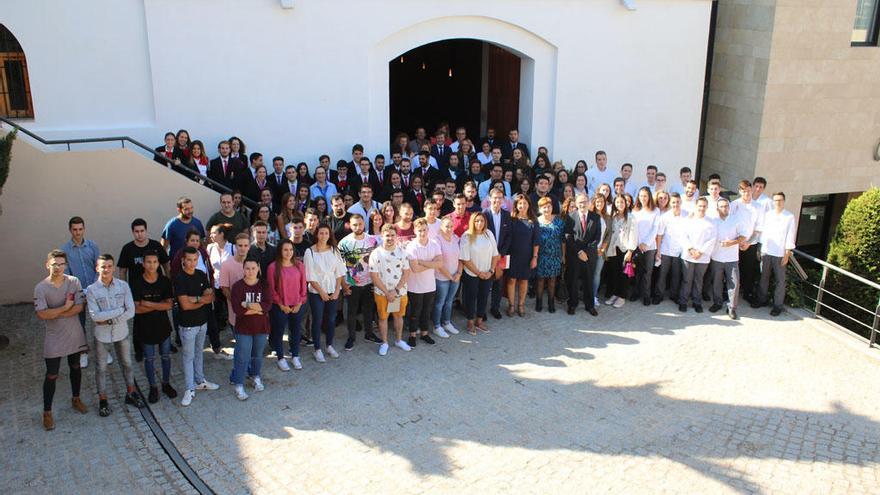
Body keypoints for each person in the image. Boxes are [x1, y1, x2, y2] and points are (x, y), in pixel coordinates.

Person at [34, 250, 89, 430]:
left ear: (66, 265)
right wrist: (65, 307)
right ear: (47, 265)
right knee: (52, 374)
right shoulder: (41, 288)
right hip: (54, 337)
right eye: (54, 264)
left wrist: (56, 312)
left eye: (61, 264)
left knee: (75, 367)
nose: (58, 267)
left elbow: (79, 307)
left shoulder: (73, 282)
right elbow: (41, 314)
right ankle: (47, 412)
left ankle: (76, 398)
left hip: (74, 333)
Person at [86, 254, 141, 416]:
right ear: (97, 268)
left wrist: (108, 319)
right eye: (103, 266)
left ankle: (131, 393)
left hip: (121, 333)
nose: (107, 269)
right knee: (101, 369)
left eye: (109, 266)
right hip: (101, 337)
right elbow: (95, 317)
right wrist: (118, 311)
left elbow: (131, 311)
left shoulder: (123, 286)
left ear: (114, 267)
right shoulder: (91, 290)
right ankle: (103, 400)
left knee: (127, 364)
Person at [117, 218, 171, 361]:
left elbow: (166, 264)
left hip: (157, 287)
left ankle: (165, 344)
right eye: (137, 232)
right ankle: (139, 350)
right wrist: (123, 289)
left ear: (146, 231)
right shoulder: (127, 248)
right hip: (136, 290)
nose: (140, 234)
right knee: (138, 320)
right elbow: (122, 270)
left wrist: (169, 281)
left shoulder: (155, 246)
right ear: (133, 232)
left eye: (142, 231)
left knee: (161, 315)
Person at [174, 246, 221, 407]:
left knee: (199, 353)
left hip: (202, 323)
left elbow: (211, 296)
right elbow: (185, 305)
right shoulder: (180, 278)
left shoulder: (201, 274)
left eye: (195, 259)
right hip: (187, 325)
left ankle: (200, 381)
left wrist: (196, 299)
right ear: (183, 261)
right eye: (189, 260)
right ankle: (189, 388)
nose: (192, 263)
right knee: (188, 357)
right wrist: (201, 299)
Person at [130, 251, 177, 404]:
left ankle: (166, 383)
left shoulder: (164, 281)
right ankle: (153, 387)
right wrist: (159, 305)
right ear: (143, 264)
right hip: (145, 327)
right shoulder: (136, 283)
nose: (152, 265)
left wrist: (148, 303)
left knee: (165, 356)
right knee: (149, 359)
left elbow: (169, 305)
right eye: (148, 262)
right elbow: (136, 309)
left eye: (155, 262)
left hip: (162, 326)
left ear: (158, 264)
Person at [230, 258, 272, 401]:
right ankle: (239, 384)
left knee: (257, 355)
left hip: (261, 326)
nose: (250, 271)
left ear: (258, 268)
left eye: (253, 268)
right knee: (242, 356)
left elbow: (267, 306)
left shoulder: (264, 284)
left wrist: (246, 304)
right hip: (243, 328)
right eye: (247, 268)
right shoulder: (237, 287)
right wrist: (258, 309)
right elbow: (237, 309)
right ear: (243, 269)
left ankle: (255, 376)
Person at [338, 214, 382, 350]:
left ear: (364, 224)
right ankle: (351, 337)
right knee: (351, 312)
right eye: (354, 225)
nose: (358, 227)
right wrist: (344, 285)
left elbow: (378, 262)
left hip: (369, 282)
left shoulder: (373, 241)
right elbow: (339, 266)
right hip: (352, 284)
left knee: (368, 310)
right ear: (350, 226)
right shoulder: (344, 243)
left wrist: (376, 282)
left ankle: (369, 334)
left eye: (360, 224)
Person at [304, 224, 346, 362]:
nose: (323, 236)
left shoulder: (334, 250)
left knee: (331, 319)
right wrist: (321, 292)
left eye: (326, 233)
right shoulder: (309, 252)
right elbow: (310, 276)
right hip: (317, 292)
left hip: (333, 290)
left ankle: (329, 345)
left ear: (329, 235)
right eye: (321, 233)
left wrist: (336, 291)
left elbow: (339, 272)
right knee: (317, 320)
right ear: (317, 234)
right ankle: (317, 349)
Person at [61, 216, 100, 368]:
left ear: (84, 229)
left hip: (94, 290)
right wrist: (79, 291)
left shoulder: (92, 246)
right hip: (78, 292)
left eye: (80, 229)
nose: (78, 233)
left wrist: (94, 286)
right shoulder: (65, 250)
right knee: (80, 324)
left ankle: (101, 350)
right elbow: (67, 275)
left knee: (99, 321)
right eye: (75, 230)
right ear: (70, 230)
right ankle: (83, 352)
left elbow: (99, 266)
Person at [369, 225, 412, 355]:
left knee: (398, 316)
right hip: (382, 293)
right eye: (387, 235)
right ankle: (385, 342)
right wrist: (387, 293)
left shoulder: (402, 253)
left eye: (393, 235)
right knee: (383, 318)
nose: (390, 238)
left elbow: (406, 273)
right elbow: (374, 275)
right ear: (382, 236)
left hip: (399, 293)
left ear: (396, 236)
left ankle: (398, 340)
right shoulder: (375, 253)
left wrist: (395, 291)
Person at [266, 239, 307, 371]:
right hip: (279, 306)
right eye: (285, 250)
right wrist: (281, 304)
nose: (288, 252)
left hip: (297, 305)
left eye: (290, 249)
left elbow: (303, 286)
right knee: (278, 332)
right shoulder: (273, 267)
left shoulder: (299, 265)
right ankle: (280, 357)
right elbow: (271, 289)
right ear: (280, 251)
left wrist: (300, 302)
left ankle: (295, 355)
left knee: (295, 331)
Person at [754, 192, 796, 316]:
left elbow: (790, 235)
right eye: (776, 200)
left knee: (780, 281)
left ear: (784, 201)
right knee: (763, 278)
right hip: (766, 251)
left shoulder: (789, 217)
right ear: (773, 202)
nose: (778, 202)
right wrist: (760, 249)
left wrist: (787, 253)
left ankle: (778, 306)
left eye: (780, 200)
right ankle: (762, 300)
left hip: (779, 254)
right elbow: (763, 233)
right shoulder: (768, 215)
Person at [459, 213, 500, 334]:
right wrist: (478, 273)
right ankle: (470, 322)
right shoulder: (466, 236)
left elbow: (495, 254)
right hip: (472, 273)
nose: (479, 223)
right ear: (472, 222)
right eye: (476, 221)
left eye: (481, 221)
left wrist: (491, 271)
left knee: (484, 296)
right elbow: (465, 259)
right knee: (471, 298)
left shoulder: (489, 233)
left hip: (487, 273)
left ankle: (479, 321)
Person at [404, 218, 442, 347]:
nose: (422, 233)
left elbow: (440, 263)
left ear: (428, 230)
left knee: (427, 310)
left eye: (424, 230)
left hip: (430, 285)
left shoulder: (434, 244)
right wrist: (432, 264)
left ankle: (425, 333)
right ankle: (412, 334)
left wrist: (421, 262)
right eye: (419, 230)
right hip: (415, 286)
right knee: (415, 311)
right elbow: (415, 269)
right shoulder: (411, 246)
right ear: (414, 231)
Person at [564, 193, 602, 316]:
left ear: (589, 202)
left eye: (585, 201)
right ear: (576, 203)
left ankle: (589, 305)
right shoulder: (570, 217)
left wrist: (586, 252)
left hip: (589, 256)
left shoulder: (595, 217)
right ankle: (572, 304)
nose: (582, 204)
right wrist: (579, 252)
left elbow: (597, 237)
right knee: (573, 280)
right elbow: (568, 236)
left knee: (589, 281)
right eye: (580, 202)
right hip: (574, 255)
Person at [710, 198, 748, 319]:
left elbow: (743, 236)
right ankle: (717, 303)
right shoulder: (713, 221)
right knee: (717, 282)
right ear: (717, 209)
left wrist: (732, 242)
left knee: (734, 283)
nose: (724, 208)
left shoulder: (735, 220)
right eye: (721, 206)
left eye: (726, 206)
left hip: (732, 258)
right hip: (716, 256)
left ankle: (732, 308)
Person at [678, 198, 717, 313]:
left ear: (707, 207)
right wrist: (690, 249)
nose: (702, 208)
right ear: (696, 206)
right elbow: (683, 236)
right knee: (687, 280)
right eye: (700, 206)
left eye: (704, 206)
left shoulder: (711, 222)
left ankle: (697, 302)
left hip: (702, 256)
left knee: (698, 280)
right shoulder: (688, 220)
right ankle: (683, 302)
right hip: (688, 255)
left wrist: (700, 252)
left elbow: (712, 239)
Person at [730, 180, 763, 304]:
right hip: (735, 244)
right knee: (733, 270)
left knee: (748, 270)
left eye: (749, 191)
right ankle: (729, 293)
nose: (747, 193)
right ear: (740, 191)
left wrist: (748, 242)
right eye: (744, 191)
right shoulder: (734, 205)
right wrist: (737, 242)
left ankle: (747, 293)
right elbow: (729, 224)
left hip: (750, 244)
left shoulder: (758, 207)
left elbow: (758, 229)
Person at [506, 194, 538, 317]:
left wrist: (535, 257)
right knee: (511, 280)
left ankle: (521, 305)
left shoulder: (533, 221)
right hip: (512, 255)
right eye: (520, 203)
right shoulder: (511, 219)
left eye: (525, 203)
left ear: (528, 205)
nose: (522, 205)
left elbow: (536, 241)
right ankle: (511, 305)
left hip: (527, 256)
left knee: (524, 281)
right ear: (516, 205)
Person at [603, 195, 638, 308]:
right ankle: (615, 294)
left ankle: (622, 296)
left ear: (626, 203)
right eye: (617, 202)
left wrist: (630, 251)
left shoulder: (631, 218)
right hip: (613, 249)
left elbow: (634, 235)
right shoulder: (613, 217)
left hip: (625, 250)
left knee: (623, 274)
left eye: (622, 202)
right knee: (614, 273)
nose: (619, 204)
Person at [483, 188, 513, 319]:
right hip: (487, 256)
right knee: (485, 284)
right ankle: (481, 311)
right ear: (489, 199)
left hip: (502, 254)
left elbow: (509, 236)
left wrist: (501, 253)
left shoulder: (507, 215)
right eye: (495, 197)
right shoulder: (484, 214)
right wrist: (493, 254)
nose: (497, 200)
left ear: (503, 200)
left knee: (499, 283)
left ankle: (495, 308)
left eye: (500, 198)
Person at [653, 193, 687, 305]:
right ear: (670, 203)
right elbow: (659, 235)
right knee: (662, 274)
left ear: (681, 202)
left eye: (677, 202)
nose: (675, 204)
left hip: (680, 250)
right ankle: (659, 295)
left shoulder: (687, 215)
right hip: (665, 249)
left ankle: (674, 295)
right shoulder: (665, 217)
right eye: (673, 202)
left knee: (676, 275)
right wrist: (658, 250)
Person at [432, 216, 462, 338]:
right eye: (446, 226)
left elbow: (461, 258)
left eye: (451, 226)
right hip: (442, 277)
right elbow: (439, 263)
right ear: (441, 227)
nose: (449, 228)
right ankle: (437, 326)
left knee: (449, 301)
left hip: (455, 276)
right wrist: (450, 276)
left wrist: (459, 273)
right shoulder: (437, 240)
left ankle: (447, 322)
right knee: (440, 302)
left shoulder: (456, 238)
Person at [534, 197, 565, 313]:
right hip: (541, 255)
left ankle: (551, 302)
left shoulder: (559, 221)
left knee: (552, 280)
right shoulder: (536, 221)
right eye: (544, 207)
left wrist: (563, 255)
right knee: (540, 280)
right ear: (540, 209)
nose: (547, 209)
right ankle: (539, 301)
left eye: (549, 206)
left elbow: (563, 240)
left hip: (555, 255)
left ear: (552, 207)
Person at [631, 187, 660, 305]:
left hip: (650, 247)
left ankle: (646, 295)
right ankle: (636, 292)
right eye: (641, 196)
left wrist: (646, 243)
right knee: (636, 271)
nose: (643, 198)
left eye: (645, 196)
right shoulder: (635, 211)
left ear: (649, 197)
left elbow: (655, 229)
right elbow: (633, 228)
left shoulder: (656, 211)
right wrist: (638, 244)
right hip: (637, 246)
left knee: (647, 272)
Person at [591, 194, 610, 305]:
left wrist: (602, 248)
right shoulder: (590, 216)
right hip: (590, 250)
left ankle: (594, 296)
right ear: (594, 202)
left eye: (602, 202)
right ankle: (587, 295)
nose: (599, 204)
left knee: (597, 274)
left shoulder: (607, 218)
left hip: (600, 251)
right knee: (588, 273)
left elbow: (608, 235)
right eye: (597, 202)